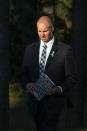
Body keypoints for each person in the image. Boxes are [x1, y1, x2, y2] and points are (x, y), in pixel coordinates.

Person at [20, 15, 78, 131]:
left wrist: (58, 88)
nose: (42, 34)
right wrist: (27, 84)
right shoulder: (30, 49)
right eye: (39, 31)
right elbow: (23, 74)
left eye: (45, 31)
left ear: (52, 29)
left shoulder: (65, 51)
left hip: (55, 106)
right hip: (34, 105)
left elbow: (72, 78)